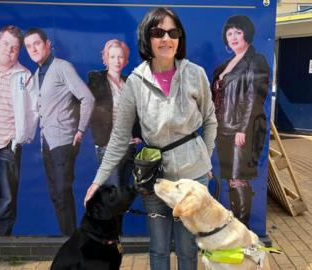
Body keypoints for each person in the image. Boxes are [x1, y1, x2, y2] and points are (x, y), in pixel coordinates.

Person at [84, 7, 217, 270]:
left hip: (193, 180)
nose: (166, 38)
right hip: (155, 179)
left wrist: (206, 160)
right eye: (158, 32)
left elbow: (210, 120)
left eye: (173, 32)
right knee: (157, 248)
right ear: (148, 38)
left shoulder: (195, 74)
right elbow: (120, 137)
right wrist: (98, 180)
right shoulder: (135, 81)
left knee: (188, 248)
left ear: (180, 39)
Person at [24, 28, 95, 236]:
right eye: (28, 46)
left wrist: (80, 129)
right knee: (56, 194)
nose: (33, 49)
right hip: (46, 142)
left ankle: (71, 241)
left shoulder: (62, 67)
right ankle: (69, 238)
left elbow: (87, 98)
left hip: (63, 141)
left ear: (47, 44)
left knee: (63, 192)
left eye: (36, 43)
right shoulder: (38, 74)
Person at [211, 15, 270, 228]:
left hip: (241, 130)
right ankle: (236, 224)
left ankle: (242, 230)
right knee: (230, 178)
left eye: (238, 32)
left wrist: (243, 129)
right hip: (222, 130)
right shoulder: (225, 66)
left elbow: (255, 98)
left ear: (247, 33)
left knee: (238, 179)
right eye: (229, 33)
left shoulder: (256, 61)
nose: (233, 37)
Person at [0, 25, 38, 235]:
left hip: (6, 145)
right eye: (6, 44)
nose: (9, 50)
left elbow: (33, 110)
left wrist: (20, 138)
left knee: (7, 198)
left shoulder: (24, 76)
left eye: (15, 48)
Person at [87, 39, 141, 234]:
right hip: (108, 147)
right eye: (112, 56)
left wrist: (137, 134)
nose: (116, 60)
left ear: (126, 60)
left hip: (129, 147)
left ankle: (116, 239)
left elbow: (138, 112)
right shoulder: (97, 80)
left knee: (122, 198)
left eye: (120, 56)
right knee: (111, 198)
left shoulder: (130, 83)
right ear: (105, 59)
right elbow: (88, 105)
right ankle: (109, 239)